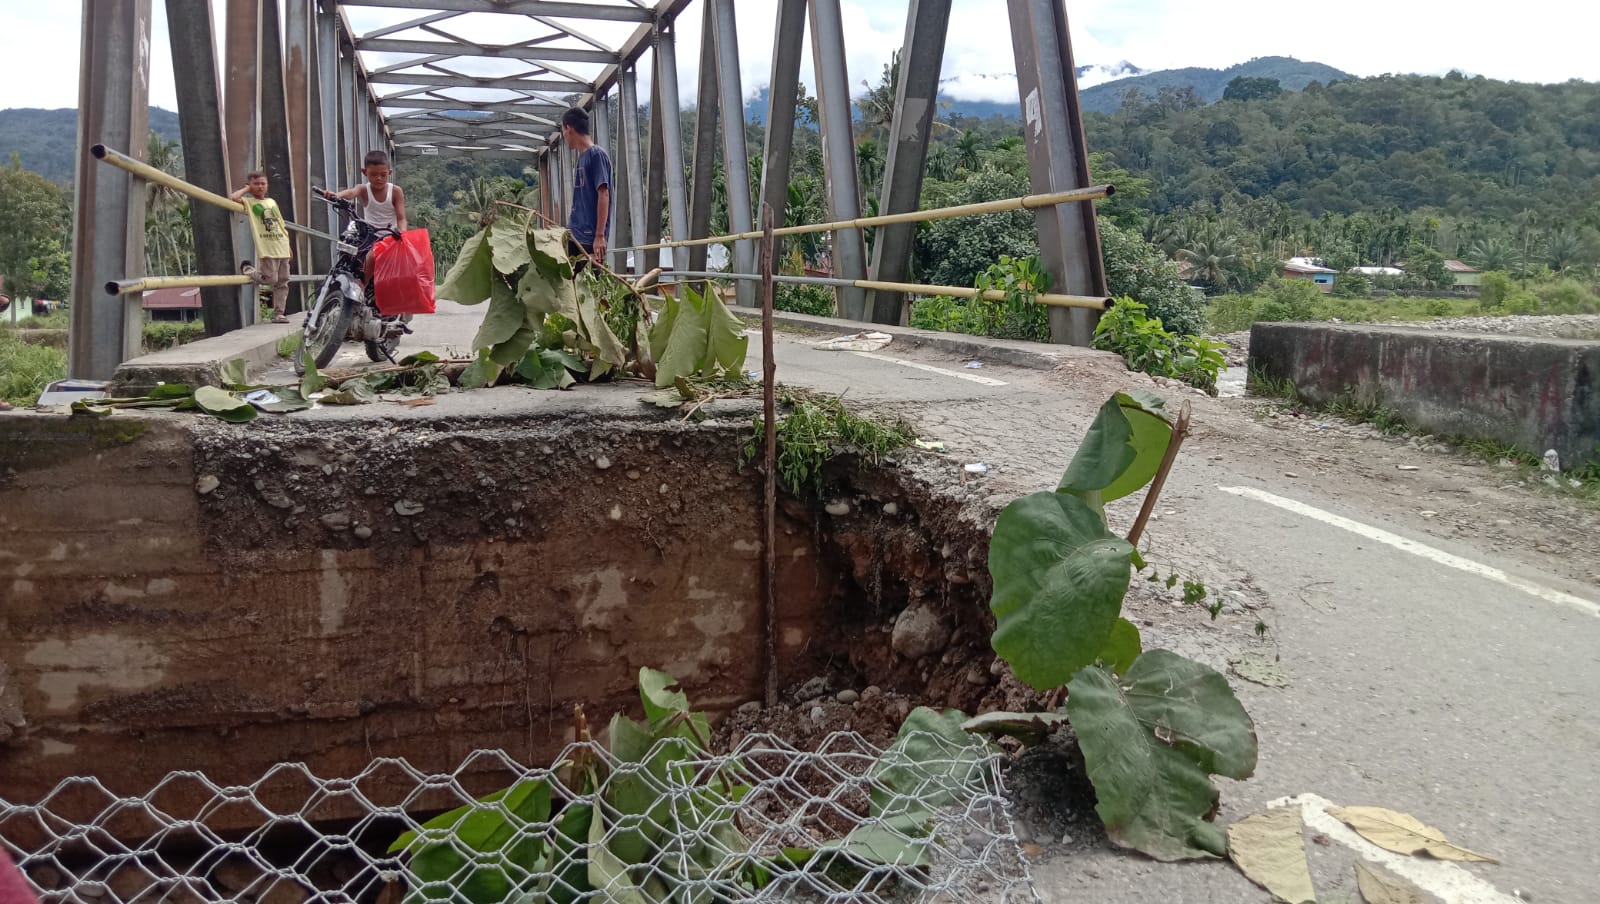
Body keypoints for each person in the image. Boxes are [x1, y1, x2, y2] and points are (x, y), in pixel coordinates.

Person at [321, 150, 408, 285]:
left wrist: (402, 233)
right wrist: (336, 195)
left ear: (389, 173)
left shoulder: (396, 191)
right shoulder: (363, 189)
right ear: (364, 172)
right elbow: (351, 192)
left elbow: (401, 218)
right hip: (368, 234)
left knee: (373, 255)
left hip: (389, 236)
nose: (378, 178)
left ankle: (362, 286)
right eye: (373, 174)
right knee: (348, 252)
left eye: (383, 175)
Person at [231, 172, 293, 323]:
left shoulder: (272, 201)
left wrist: (288, 245)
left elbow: (280, 224)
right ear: (250, 185)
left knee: (283, 281)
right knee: (270, 279)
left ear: (267, 186)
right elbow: (233, 198)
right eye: (256, 183)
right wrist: (246, 190)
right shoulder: (249, 202)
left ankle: (279, 314)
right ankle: (249, 270)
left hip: (281, 245)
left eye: (263, 183)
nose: (260, 186)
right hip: (267, 246)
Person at [561, 107, 611, 273]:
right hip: (575, 235)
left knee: (589, 289)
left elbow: (603, 193)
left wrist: (599, 236)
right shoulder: (582, 158)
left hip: (589, 238)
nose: (564, 136)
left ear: (569, 128)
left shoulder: (596, 155)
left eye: (563, 131)